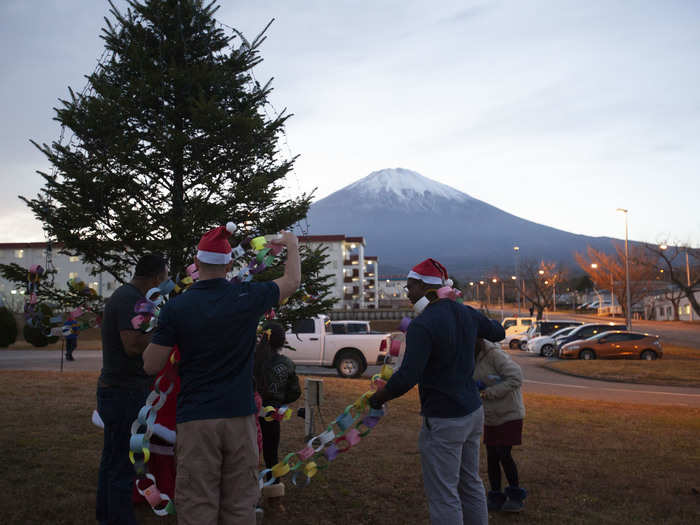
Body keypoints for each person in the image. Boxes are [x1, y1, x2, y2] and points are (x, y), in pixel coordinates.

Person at [143, 225, 300, 525]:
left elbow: (151, 365)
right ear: (229, 265)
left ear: (196, 262)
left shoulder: (176, 308)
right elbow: (291, 281)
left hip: (196, 418)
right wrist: (291, 244)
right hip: (240, 417)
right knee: (240, 503)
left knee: (198, 502)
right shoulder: (248, 295)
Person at [369, 258, 506, 525]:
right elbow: (498, 332)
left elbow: (408, 376)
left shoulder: (423, 324)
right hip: (472, 411)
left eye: (410, 287)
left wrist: (378, 397)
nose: (407, 293)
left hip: (445, 419)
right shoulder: (465, 312)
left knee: (444, 494)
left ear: (423, 286)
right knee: (471, 483)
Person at [96, 253, 169, 525]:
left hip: (120, 390)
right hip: (123, 392)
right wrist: (163, 330)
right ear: (155, 277)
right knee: (122, 466)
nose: (166, 282)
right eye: (165, 276)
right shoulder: (130, 299)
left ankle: (106, 516)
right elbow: (133, 345)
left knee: (112, 460)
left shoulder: (132, 298)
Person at [473, 338, 527, 512]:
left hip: (509, 413)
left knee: (504, 453)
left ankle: (515, 496)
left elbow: (516, 377)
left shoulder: (495, 355)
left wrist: (490, 393)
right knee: (491, 456)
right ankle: (495, 496)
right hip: (490, 415)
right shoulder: (469, 356)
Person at [253, 322, 301, 482]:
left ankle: (246, 493)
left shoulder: (251, 360)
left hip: (249, 413)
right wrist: (279, 399)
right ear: (282, 341)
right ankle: (273, 492)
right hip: (271, 415)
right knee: (271, 454)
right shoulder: (286, 364)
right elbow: (295, 392)